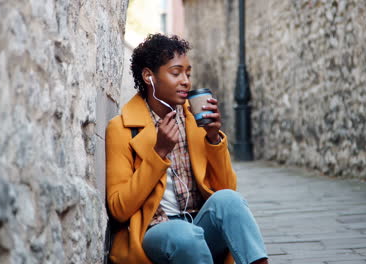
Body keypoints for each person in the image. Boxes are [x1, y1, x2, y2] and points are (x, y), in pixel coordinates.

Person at [106, 33, 269, 264]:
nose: (186, 81)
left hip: (200, 223)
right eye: (176, 73)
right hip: (156, 232)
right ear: (148, 76)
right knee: (184, 235)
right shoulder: (122, 128)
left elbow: (226, 191)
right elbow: (118, 208)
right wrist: (158, 153)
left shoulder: (196, 120)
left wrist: (213, 140)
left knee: (230, 200)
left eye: (188, 73)